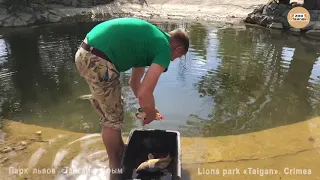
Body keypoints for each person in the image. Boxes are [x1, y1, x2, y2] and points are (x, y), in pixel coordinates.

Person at [74, 17, 189, 179]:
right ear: (177, 49)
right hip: (98, 59)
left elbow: (135, 83)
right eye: (176, 58)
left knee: (114, 110)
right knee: (112, 120)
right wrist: (149, 113)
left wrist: (149, 109)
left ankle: (121, 154)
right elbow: (144, 93)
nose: (171, 60)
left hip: (88, 53)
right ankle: (115, 171)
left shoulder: (150, 41)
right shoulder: (164, 48)